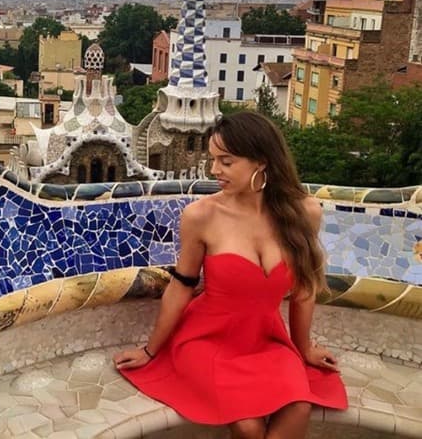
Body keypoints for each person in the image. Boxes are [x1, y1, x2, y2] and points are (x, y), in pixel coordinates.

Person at [114, 111, 347, 439]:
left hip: (267, 341)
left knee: (299, 406)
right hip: (207, 341)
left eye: (226, 161)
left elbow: (304, 290)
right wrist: (150, 350)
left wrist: (304, 347)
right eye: (213, 159)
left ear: (261, 162)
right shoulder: (202, 216)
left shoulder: (304, 213)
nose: (214, 170)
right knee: (248, 426)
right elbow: (181, 288)